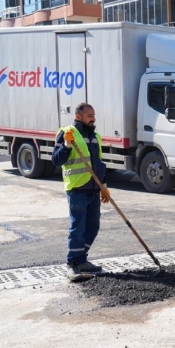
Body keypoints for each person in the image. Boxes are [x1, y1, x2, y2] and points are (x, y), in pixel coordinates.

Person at [51, 103, 110, 282]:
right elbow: (56, 160)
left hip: (93, 187)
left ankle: (82, 259)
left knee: (93, 226)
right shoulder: (68, 133)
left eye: (93, 115)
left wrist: (104, 185)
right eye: (89, 115)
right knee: (78, 227)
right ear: (78, 117)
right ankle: (73, 264)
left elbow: (98, 163)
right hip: (77, 188)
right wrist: (66, 146)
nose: (93, 118)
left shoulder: (95, 136)